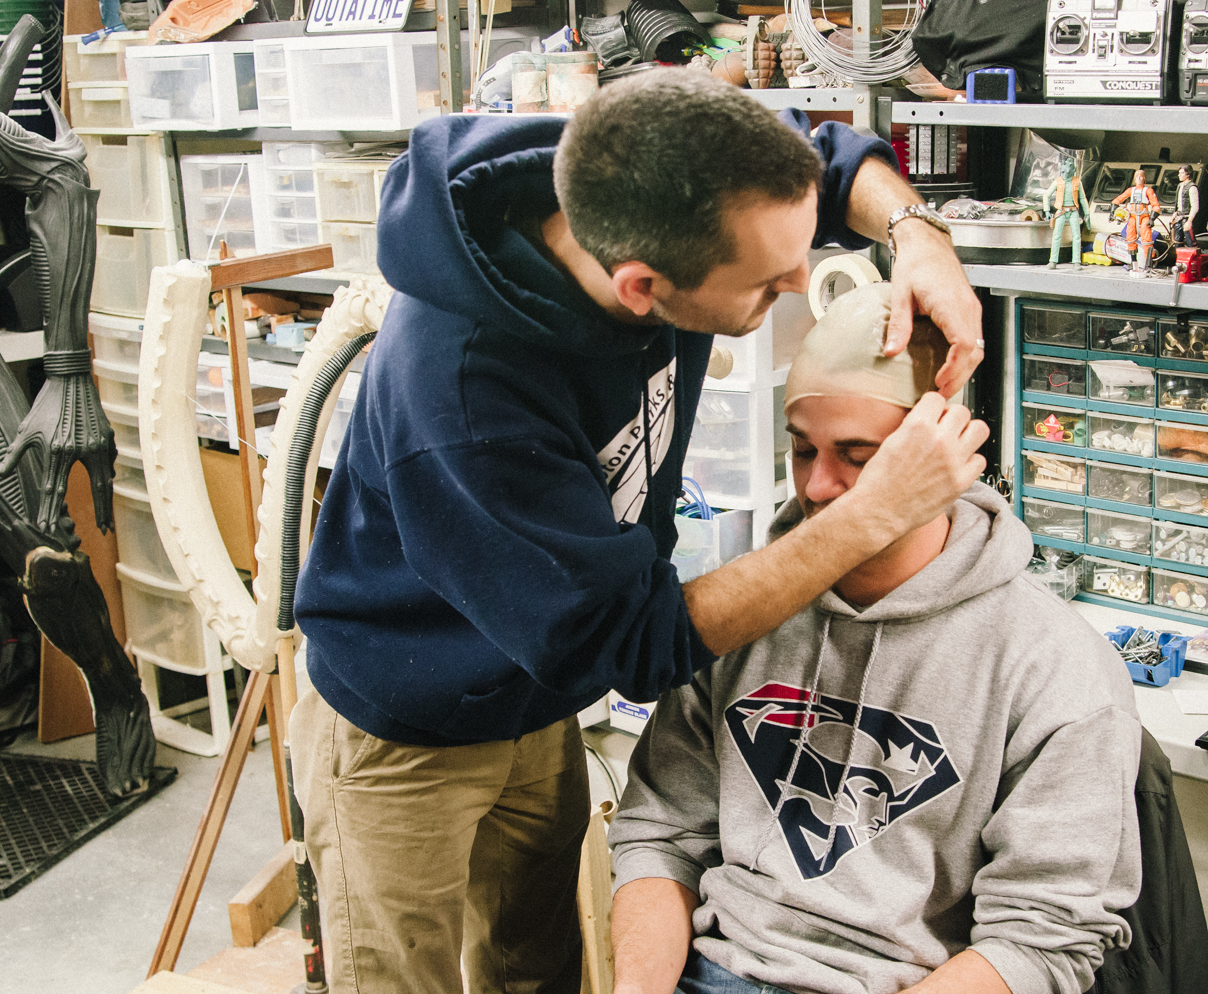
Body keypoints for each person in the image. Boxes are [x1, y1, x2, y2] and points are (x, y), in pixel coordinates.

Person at [288, 70, 988, 993]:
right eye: (767, 284)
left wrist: (918, 234)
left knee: (537, 967)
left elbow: (824, 158)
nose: (797, 281)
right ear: (642, 287)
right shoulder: (466, 397)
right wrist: (871, 514)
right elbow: (633, 640)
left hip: (533, 692)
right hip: (406, 723)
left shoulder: (654, 169)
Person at [609, 283, 1144, 994]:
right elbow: (660, 834)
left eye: (860, 456)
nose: (821, 487)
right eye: (803, 451)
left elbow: (1042, 940)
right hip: (719, 968)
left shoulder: (1053, 667)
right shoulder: (747, 614)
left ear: (944, 457)